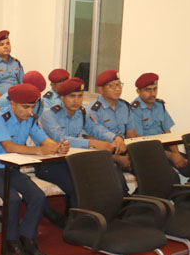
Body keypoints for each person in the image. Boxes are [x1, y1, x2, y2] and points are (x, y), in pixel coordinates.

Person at [0, 83, 67, 255]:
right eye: (25, 107)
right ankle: (12, 241)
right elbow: (9, 147)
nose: (30, 111)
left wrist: (57, 147)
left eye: (32, 107)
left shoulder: (30, 119)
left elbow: (44, 140)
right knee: (13, 199)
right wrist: (40, 151)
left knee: (38, 196)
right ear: (13, 104)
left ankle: (28, 237)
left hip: (12, 169)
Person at [35, 77, 125, 223]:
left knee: (100, 178)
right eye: (72, 96)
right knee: (77, 186)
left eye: (79, 96)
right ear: (62, 97)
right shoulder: (49, 114)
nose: (76, 100)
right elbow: (60, 138)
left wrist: (116, 137)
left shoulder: (82, 112)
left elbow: (95, 129)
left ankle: (97, 218)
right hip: (50, 163)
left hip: (73, 160)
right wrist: (91, 143)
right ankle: (75, 223)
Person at [129, 72, 190, 176]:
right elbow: (140, 143)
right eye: (148, 90)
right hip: (146, 151)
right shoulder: (134, 110)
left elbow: (168, 133)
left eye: (155, 89)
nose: (152, 94)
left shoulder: (159, 105)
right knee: (171, 177)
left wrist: (176, 154)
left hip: (163, 148)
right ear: (138, 91)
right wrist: (171, 156)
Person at [87, 69, 135, 170]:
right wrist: (117, 158)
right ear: (101, 89)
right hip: (104, 156)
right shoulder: (93, 110)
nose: (117, 89)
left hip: (125, 151)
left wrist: (129, 156)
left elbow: (131, 136)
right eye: (112, 86)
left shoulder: (125, 106)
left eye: (119, 85)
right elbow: (91, 142)